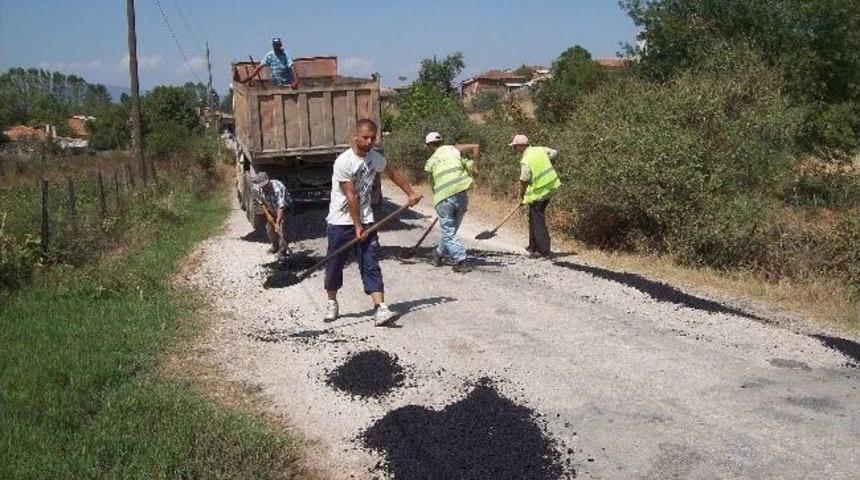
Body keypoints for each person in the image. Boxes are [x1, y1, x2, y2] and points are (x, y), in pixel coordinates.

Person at [323, 119, 421, 325]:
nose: (369, 141)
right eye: (365, 137)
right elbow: (351, 196)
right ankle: (332, 302)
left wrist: (410, 192)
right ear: (355, 137)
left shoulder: (375, 158)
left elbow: (392, 172)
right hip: (340, 222)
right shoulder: (343, 162)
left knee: (370, 263)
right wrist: (357, 226)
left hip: (366, 220)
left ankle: (380, 308)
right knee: (334, 264)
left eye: (373, 138)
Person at [423, 132, 480, 272]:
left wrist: (439, 199)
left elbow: (432, 184)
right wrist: (477, 167)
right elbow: (475, 147)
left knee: (449, 232)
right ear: (441, 141)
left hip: (444, 199)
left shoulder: (430, 162)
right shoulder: (454, 151)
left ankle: (461, 260)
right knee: (451, 231)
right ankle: (438, 254)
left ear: (429, 145)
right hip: (461, 196)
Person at [510, 134, 561, 258]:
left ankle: (543, 251)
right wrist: (546, 162)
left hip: (540, 192)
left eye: (515, 146)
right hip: (550, 187)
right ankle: (532, 246)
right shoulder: (540, 150)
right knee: (533, 216)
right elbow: (554, 153)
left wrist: (521, 196)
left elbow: (524, 180)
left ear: (521, 146)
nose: (514, 149)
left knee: (537, 218)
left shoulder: (526, 160)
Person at [252, 172, 292, 258]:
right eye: (263, 186)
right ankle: (275, 246)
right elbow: (261, 203)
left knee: (282, 228)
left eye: (266, 185)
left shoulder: (277, 188)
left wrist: (277, 223)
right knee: (270, 230)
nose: (265, 188)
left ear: (269, 181)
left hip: (285, 209)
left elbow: (281, 207)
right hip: (271, 209)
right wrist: (268, 215)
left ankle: (282, 250)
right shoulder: (258, 189)